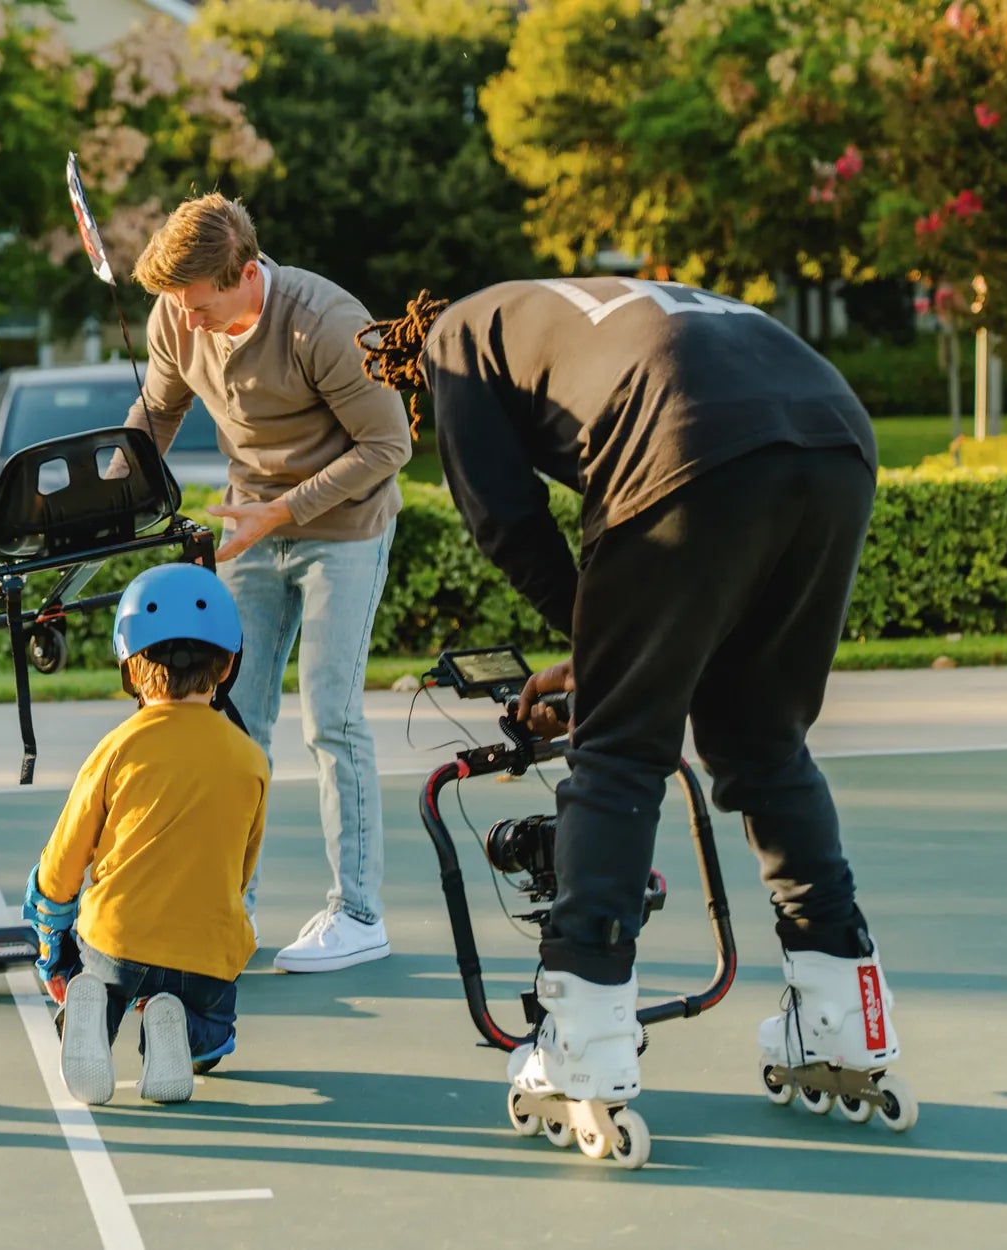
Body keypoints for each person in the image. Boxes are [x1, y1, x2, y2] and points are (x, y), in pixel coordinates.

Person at [358, 276, 901, 1115]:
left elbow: (505, 517)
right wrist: (606, 642)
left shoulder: (453, 344)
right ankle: (845, 1011)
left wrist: (592, 653)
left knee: (619, 747)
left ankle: (587, 1030)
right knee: (764, 742)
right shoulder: (565, 306)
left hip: (689, 436)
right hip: (835, 439)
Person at [124, 194, 412, 974]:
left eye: (199, 306)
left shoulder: (325, 321)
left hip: (342, 530)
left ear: (247, 274)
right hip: (250, 529)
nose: (187, 324)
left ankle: (357, 915)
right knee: (231, 719)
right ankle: (228, 904)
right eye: (176, 310)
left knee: (332, 716)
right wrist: (109, 500)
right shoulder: (176, 319)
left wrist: (282, 511)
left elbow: (391, 443)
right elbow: (153, 417)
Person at [24, 563, 269, 1105]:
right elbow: (242, 869)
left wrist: (49, 943)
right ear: (228, 664)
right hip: (206, 955)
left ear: (130, 670)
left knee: (92, 954)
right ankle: (185, 1031)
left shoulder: (118, 748)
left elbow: (63, 863)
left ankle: (92, 1010)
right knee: (218, 1031)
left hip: (118, 942)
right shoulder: (252, 760)